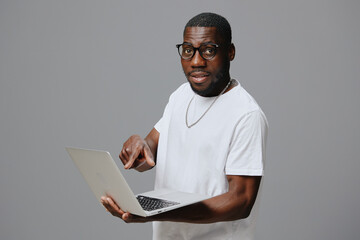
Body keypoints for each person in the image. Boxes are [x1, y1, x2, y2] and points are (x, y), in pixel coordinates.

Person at [101, 12, 268, 240]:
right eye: (188, 50)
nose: (197, 61)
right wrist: (139, 147)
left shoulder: (246, 114)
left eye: (209, 50)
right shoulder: (181, 96)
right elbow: (150, 150)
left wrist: (154, 213)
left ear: (230, 52)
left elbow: (241, 201)